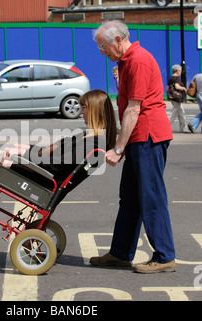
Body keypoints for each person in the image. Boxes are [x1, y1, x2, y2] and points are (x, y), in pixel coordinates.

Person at [0, 89, 117, 221]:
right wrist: (22, 149)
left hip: (42, 181)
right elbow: (50, 152)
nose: (80, 111)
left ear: (94, 111)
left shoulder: (90, 142)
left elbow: (54, 166)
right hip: (41, 175)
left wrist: (17, 161)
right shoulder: (89, 136)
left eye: (84, 107)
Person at [90, 20, 176, 274]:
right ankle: (120, 253)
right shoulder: (126, 62)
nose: (102, 52)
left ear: (118, 40)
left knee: (151, 197)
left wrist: (117, 148)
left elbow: (134, 108)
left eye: (103, 46)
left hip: (148, 135)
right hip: (140, 137)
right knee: (129, 198)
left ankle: (164, 256)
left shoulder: (137, 60)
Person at [166, 64, 187, 132]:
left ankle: (183, 128)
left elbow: (167, 89)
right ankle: (166, 126)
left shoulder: (171, 78)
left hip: (172, 97)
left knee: (181, 112)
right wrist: (183, 88)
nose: (181, 72)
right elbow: (177, 87)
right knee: (174, 112)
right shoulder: (177, 78)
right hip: (177, 98)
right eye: (180, 70)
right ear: (177, 71)